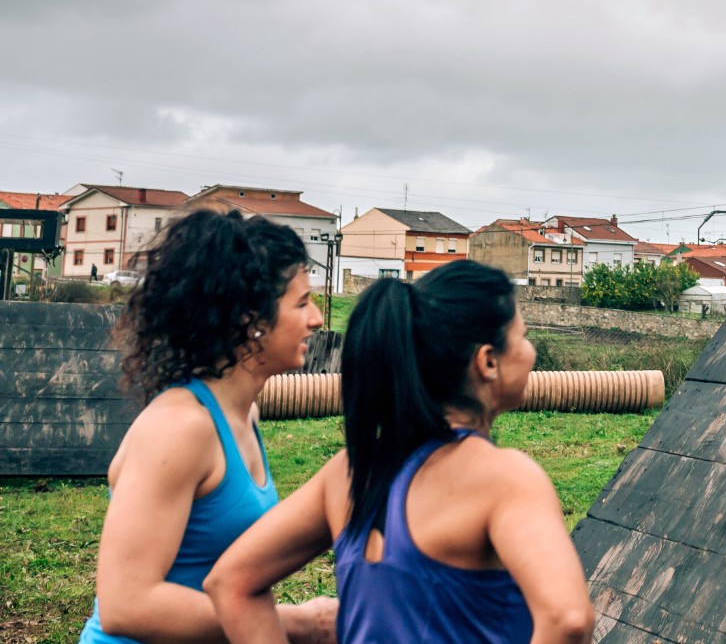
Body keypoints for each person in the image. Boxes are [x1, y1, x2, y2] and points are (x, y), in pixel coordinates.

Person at [205, 261, 593, 644]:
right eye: (524, 337)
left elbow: (231, 582)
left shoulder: (350, 471)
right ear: (488, 362)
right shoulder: (504, 478)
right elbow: (568, 619)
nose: (531, 351)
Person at [80, 207, 335, 644]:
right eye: (301, 303)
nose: (317, 319)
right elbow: (126, 604)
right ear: (251, 322)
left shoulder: (243, 414)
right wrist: (298, 623)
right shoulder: (180, 428)